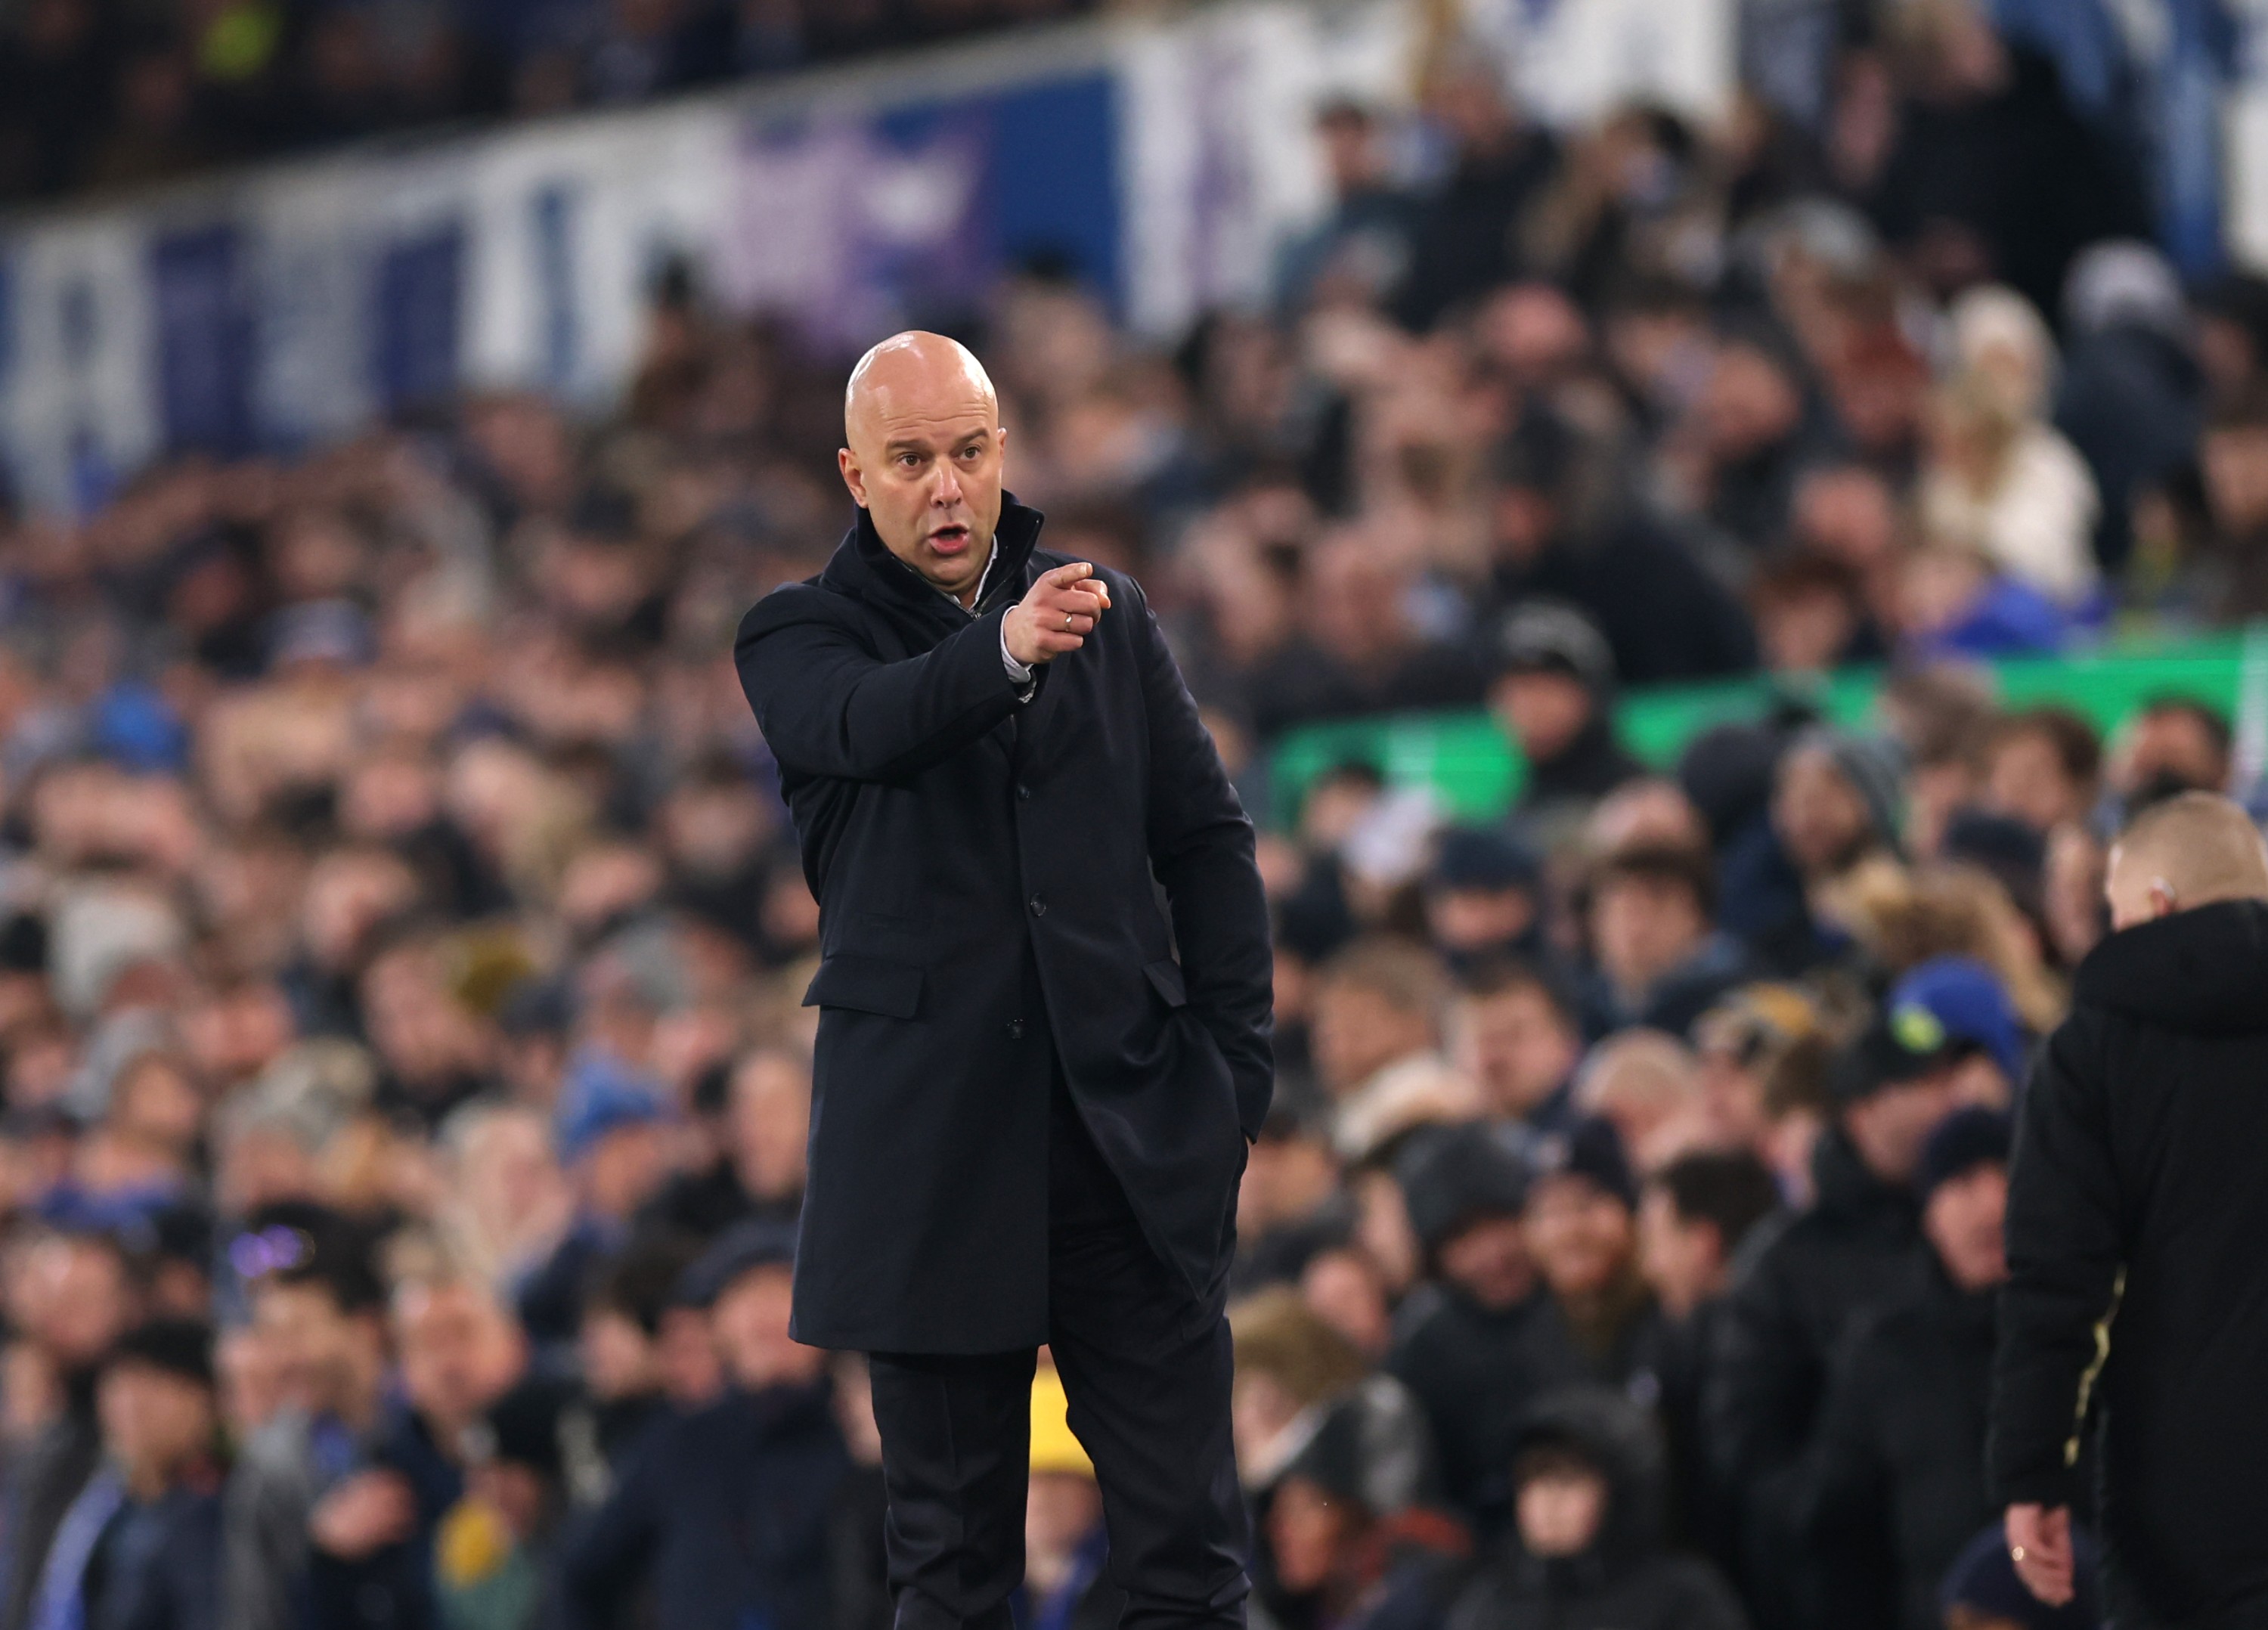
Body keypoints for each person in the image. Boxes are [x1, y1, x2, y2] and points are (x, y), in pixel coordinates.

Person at [733, 333, 1272, 1630]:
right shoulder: (797, 632)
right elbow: (869, 725)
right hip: (931, 1162)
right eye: (911, 459)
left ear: (1002, 455)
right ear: (855, 476)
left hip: (1128, 1136)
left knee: (1191, 1557)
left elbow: (1205, 842)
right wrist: (1010, 653)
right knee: (955, 1570)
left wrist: (1233, 1071)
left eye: (969, 451)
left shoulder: (1111, 612)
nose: (947, 485)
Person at [1991, 793, 2268, 1625]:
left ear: (2157, 906)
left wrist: (2031, 1470)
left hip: (2183, 1494)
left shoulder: (2091, 1053)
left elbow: (2058, 1278)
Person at [1707, 1013, 1958, 1630]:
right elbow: (1748, 1436)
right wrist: (1816, 1512)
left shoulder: (1969, 1230)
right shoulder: (1785, 1261)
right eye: (1921, 1086)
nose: (1945, 1103)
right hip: (1846, 1590)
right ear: (1863, 1110)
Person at [563, 1222, 848, 1630]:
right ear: (719, 1327)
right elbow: (581, 1574)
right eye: (743, 1297)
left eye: (778, 1289)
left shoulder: (864, 1437)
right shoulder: (680, 1443)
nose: (762, 1318)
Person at [1799, 1108, 2012, 1630]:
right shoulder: (1883, 1350)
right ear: (1929, 1211)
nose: (1992, 1207)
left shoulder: (2095, 1331)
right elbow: (1845, 1529)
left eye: (2009, 1179)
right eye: (1963, 1184)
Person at [1436, 1387, 1749, 1630]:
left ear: (1622, 1493)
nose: (1549, 1502)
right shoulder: (1489, 1603)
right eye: (1533, 1480)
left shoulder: (1684, 1602)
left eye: (1569, 1480)